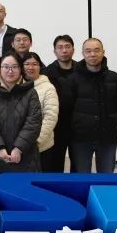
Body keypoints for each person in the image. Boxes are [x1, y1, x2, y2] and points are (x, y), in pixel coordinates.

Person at [0, 52, 43, 192]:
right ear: (0, 69)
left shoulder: (30, 92)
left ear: (21, 69)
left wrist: (18, 148)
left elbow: (33, 122)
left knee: (25, 194)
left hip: (25, 155)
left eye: (14, 67)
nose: (10, 71)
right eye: (5, 67)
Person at [68, 38, 117, 174]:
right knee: (81, 178)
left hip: (108, 136)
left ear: (103, 52)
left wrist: (111, 123)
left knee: (106, 177)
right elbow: (67, 109)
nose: (92, 54)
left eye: (96, 50)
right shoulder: (73, 79)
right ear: (83, 54)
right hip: (80, 138)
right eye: (88, 51)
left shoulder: (115, 78)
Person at [42, 35, 76, 172]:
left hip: (78, 127)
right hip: (56, 127)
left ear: (73, 50)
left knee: (78, 167)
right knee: (55, 166)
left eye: (67, 47)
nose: (64, 50)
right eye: (60, 47)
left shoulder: (82, 70)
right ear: (54, 51)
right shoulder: (47, 73)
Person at [23, 53, 59, 167]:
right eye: (27, 64)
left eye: (35, 64)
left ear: (40, 67)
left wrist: (36, 141)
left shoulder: (48, 88)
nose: (30, 67)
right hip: (20, 147)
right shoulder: (17, 86)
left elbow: (50, 117)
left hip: (42, 146)